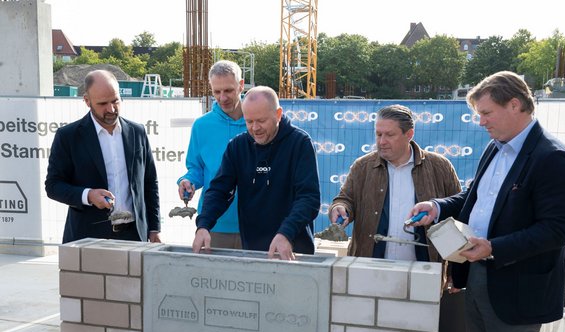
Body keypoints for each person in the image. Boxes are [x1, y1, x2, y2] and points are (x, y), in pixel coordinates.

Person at [409, 71, 565, 332]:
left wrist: (493, 248)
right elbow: (474, 199)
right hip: (479, 277)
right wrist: (438, 206)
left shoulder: (552, 158)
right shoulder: (495, 147)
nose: (480, 122)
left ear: (515, 104)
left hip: (518, 286)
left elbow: (557, 229)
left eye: (486, 113)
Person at [192, 86, 320, 260]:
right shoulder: (237, 146)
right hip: (253, 250)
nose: (255, 128)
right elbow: (219, 190)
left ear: (278, 114)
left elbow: (308, 198)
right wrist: (203, 224)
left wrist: (286, 233)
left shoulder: (300, 143)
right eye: (249, 121)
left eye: (261, 121)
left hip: (293, 249)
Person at [329, 104, 461, 265]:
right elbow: (345, 199)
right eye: (378, 134)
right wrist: (340, 208)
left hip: (426, 269)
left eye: (390, 135)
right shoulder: (362, 166)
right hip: (368, 268)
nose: (382, 141)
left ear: (409, 134)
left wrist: (457, 271)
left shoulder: (439, 166)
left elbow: (457, 214)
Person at [45, 69, 161, 243]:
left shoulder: (137, 132)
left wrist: (154, 229)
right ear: (87, 101)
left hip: (135, 236)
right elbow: (53, 186)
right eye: (102, 103)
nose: (111, 109)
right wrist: (88, 195)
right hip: (87, 238)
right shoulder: (68, 136)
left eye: (115, 101)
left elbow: (150, 182)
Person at [177, 60, 246, 249]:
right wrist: (188, 181)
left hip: (255, 224)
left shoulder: (257, 122)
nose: (222, 98)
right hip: (213, 225)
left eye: (229, 90)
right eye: (217, 92)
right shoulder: (202, 125)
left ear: (241, 85)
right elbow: (196, 168)